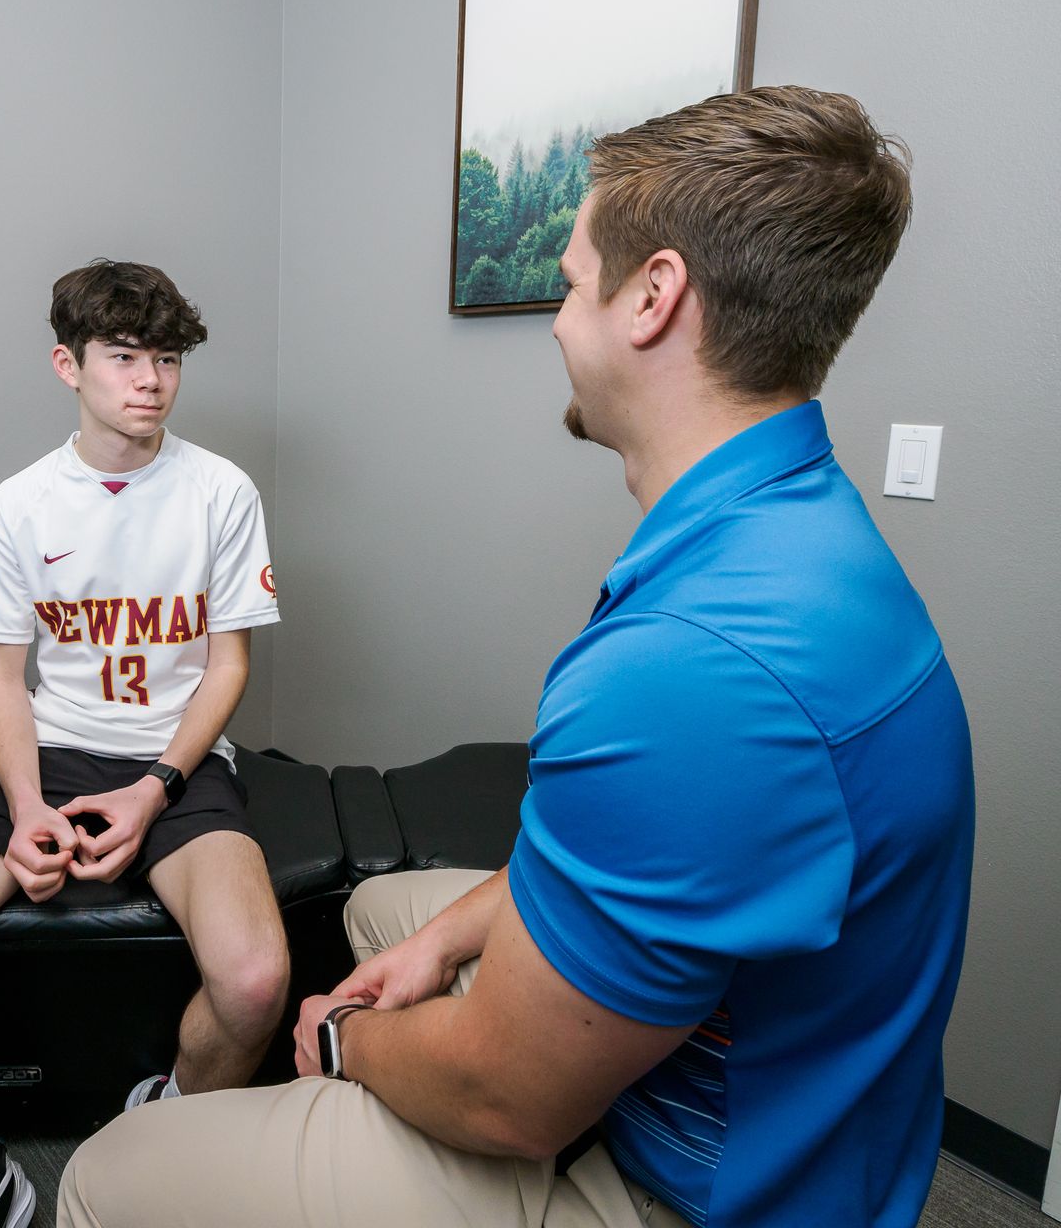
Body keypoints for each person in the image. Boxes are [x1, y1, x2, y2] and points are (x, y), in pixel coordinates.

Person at [58, 86, 976, 1228]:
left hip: (698, 1184)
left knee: (101, 1181)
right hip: (816, 1093)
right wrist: (443, 945)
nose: (555, 317)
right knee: (386, 914)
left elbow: (507, 1101)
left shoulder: (691, 668)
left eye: (573, 278)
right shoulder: (802, 532)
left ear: (654, 298)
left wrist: (348, 1042)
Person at [0, 259, 287, 1228]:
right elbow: (1, 683)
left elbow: (226, 668)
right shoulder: (18, 507)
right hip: (48, 755)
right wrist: (26, 809)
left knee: (255, 982)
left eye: (166, 358)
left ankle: (164, 1129)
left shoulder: (221, 492)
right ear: (67, 365)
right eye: (123, 357)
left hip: (178, 764)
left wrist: (156, 786)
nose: (150, 380)